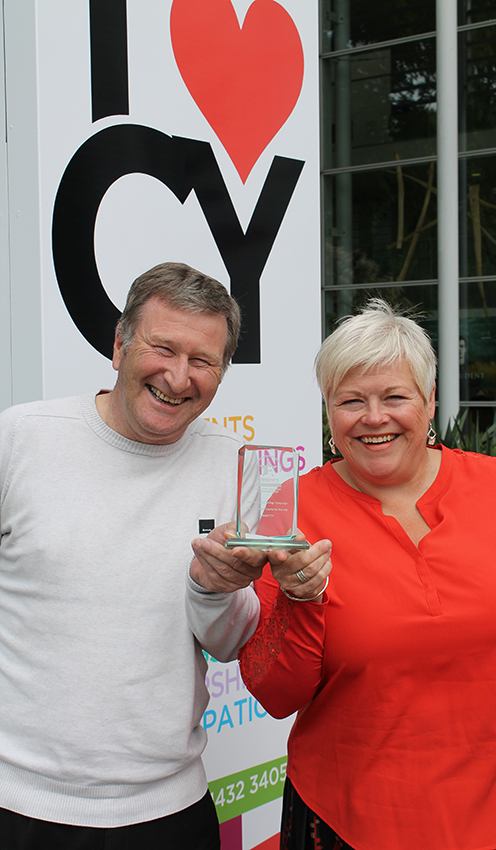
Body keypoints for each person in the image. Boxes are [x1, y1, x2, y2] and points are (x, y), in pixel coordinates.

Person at [238, 299, 496, 850]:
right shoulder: (292, 509)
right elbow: (274, 692)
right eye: (350, 401)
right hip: (348, 823)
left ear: (430, 399)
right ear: (328, 410)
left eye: (395, 396)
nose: (374, 417)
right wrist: (301, 599)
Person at [0, 262, 267, 849]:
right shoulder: (20, 439)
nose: (178, 376)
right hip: (17, 806)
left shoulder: (233, 464)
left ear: (222, 373)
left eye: (202, 361)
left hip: (172, 812)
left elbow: (231, 644)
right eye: (162, 348)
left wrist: (213, 588)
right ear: (119, 345)